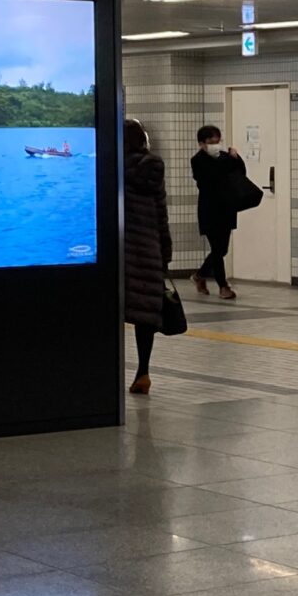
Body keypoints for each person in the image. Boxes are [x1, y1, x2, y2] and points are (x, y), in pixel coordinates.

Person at [121, 116, 171, 395]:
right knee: (145, 314)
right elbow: (160, 212)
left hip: (120, 247)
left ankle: (109, 370)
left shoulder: (110, 167)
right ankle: (143, 372)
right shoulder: (153, 168)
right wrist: (164, 251)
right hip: (148, 247)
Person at [189, 123, 253, 299]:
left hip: (226, 207)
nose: (215, 144)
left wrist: (236, 158)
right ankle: (223, 286)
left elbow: (240, 174)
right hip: (209, 209)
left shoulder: (225, 157)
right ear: (202, 143)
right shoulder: (198, 161)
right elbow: (207, 180)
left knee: (222, 249)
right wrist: (225, 164)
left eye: (218, 141)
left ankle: (200, 275)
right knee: (217, 248)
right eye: (211, 141)